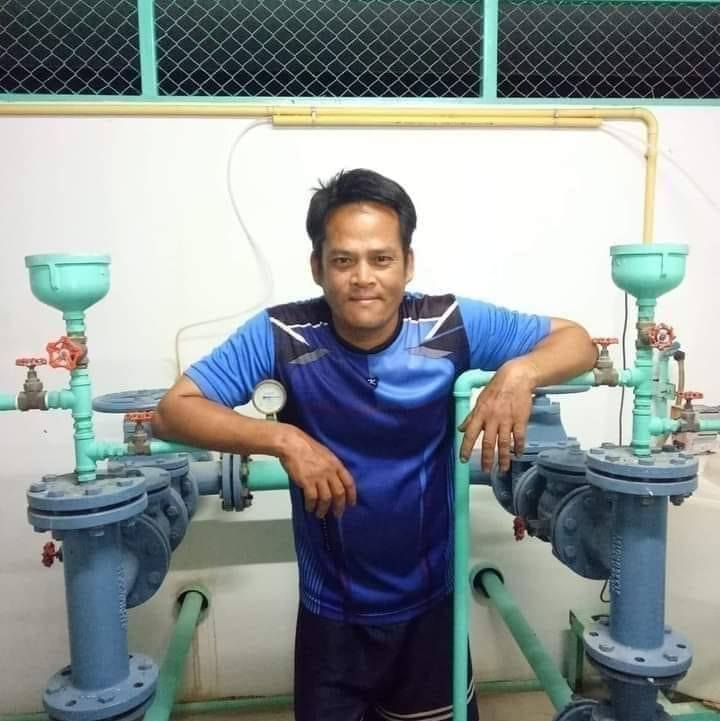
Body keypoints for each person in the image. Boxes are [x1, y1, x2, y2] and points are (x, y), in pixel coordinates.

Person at [153, 168, 597, 720]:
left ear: (407, 264)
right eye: (343, 260)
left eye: (381, 259)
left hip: (432, 610)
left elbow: (576, 340)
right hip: (331, 614)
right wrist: (282, 439)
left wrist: (520, 373)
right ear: (317, 267)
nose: (363, 278)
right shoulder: (282, 335)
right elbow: (173, 411)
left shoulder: (447, 325)